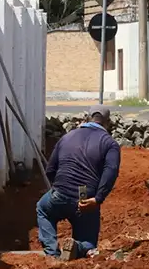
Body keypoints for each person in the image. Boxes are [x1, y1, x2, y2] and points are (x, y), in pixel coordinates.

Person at [38, 105, 121, 260]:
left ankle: (51, 253)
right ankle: (78, 246)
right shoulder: (110, 144)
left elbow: (50, 169)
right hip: (85, 197)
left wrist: (58, 189)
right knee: (89, 242)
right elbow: (111, 172)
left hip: (59, 193)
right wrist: (98, 199)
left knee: (43, 209)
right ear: (108, 123)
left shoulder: (67, 137)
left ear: (86, 118)